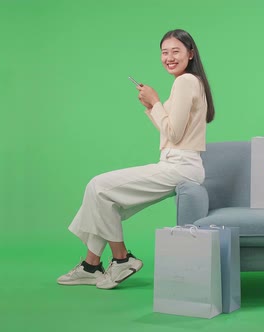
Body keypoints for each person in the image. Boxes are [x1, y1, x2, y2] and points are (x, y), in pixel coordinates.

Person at [57, 29, 215, 289]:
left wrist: (154, 102)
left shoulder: (185, 81)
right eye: (164, 52)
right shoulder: (192, 81)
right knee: (108, 203)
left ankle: (121, 259)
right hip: (181, 164)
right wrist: (151, 107)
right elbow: (173, 133)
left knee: (98, 186)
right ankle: (90, 265)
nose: (169, 57)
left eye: (176, 51)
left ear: (191, 53)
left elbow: (173, 134)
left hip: (180, 165)